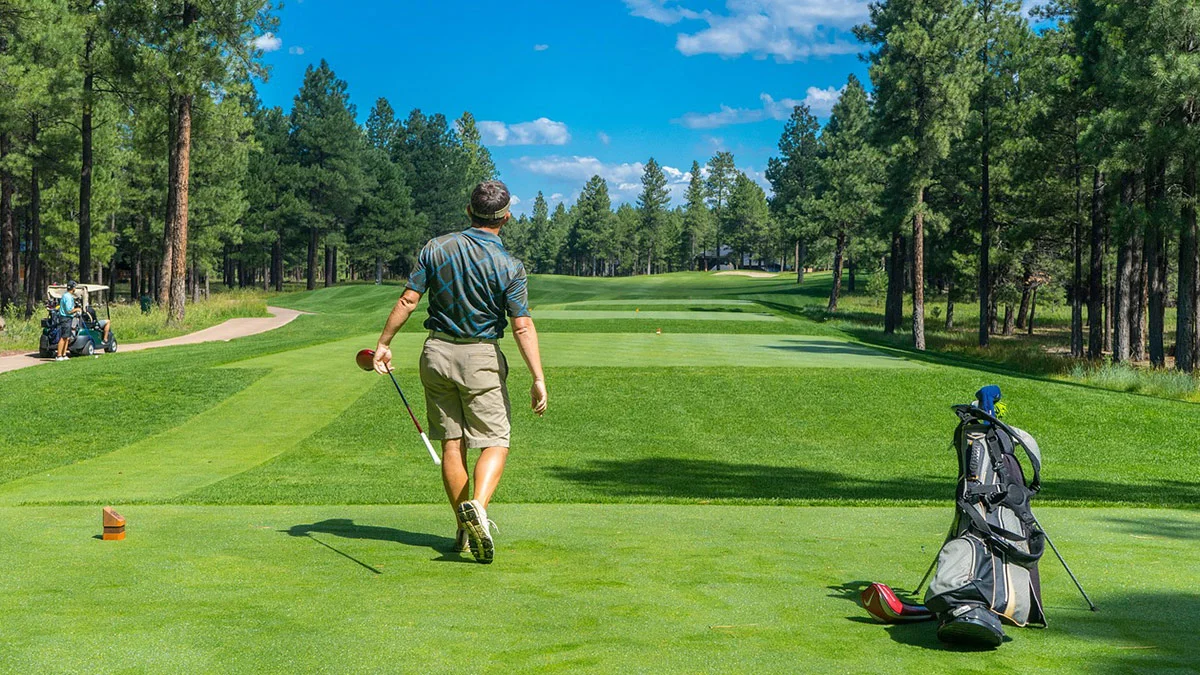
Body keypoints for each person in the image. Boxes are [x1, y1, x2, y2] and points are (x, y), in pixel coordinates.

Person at [372, 180, 547, 564]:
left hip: (435, 353)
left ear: (469, 211)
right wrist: (537, 377)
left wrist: (384, 343)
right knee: (495, 440)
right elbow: (521, 325)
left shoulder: (436, 248)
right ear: (507, 216)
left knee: (453, 443)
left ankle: (464, 528)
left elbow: (408, 299)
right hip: (480, 357)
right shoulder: (511, 266)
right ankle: (478, 510)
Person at [55, 281, 81, 361]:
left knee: (67, 337)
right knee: (64, 337)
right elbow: (69, 311)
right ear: (72, 288)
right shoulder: (68, 297)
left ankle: (64, 354)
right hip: (65, 318)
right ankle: (59, 355)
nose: (75, 288)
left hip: (68, 318)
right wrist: (77, 309)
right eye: (75, 287)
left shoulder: (67, 296)